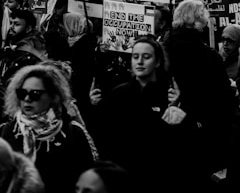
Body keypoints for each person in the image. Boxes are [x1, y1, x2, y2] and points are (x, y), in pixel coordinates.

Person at [98, 35, 189, 193]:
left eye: (146, 57)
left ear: (157, 62)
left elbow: (179, 142)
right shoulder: (118, 94)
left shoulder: (168, 95)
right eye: (135, 56)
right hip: (123, 178)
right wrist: (95, 106)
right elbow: (105, 136)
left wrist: (175, 108)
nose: (139, 62)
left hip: (158, 179)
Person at [168, 0, 235, 189]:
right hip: (201, 137)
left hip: (166, 132)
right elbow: (223, 101)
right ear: (198, 21)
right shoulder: (208, 56)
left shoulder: (162, 49)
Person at [0, 63, 98, 193]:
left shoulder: (73, 132)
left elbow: (88, 181)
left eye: (35, 94)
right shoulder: (9, 130)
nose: (27, 99)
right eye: (22, 93)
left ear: (53, 97)